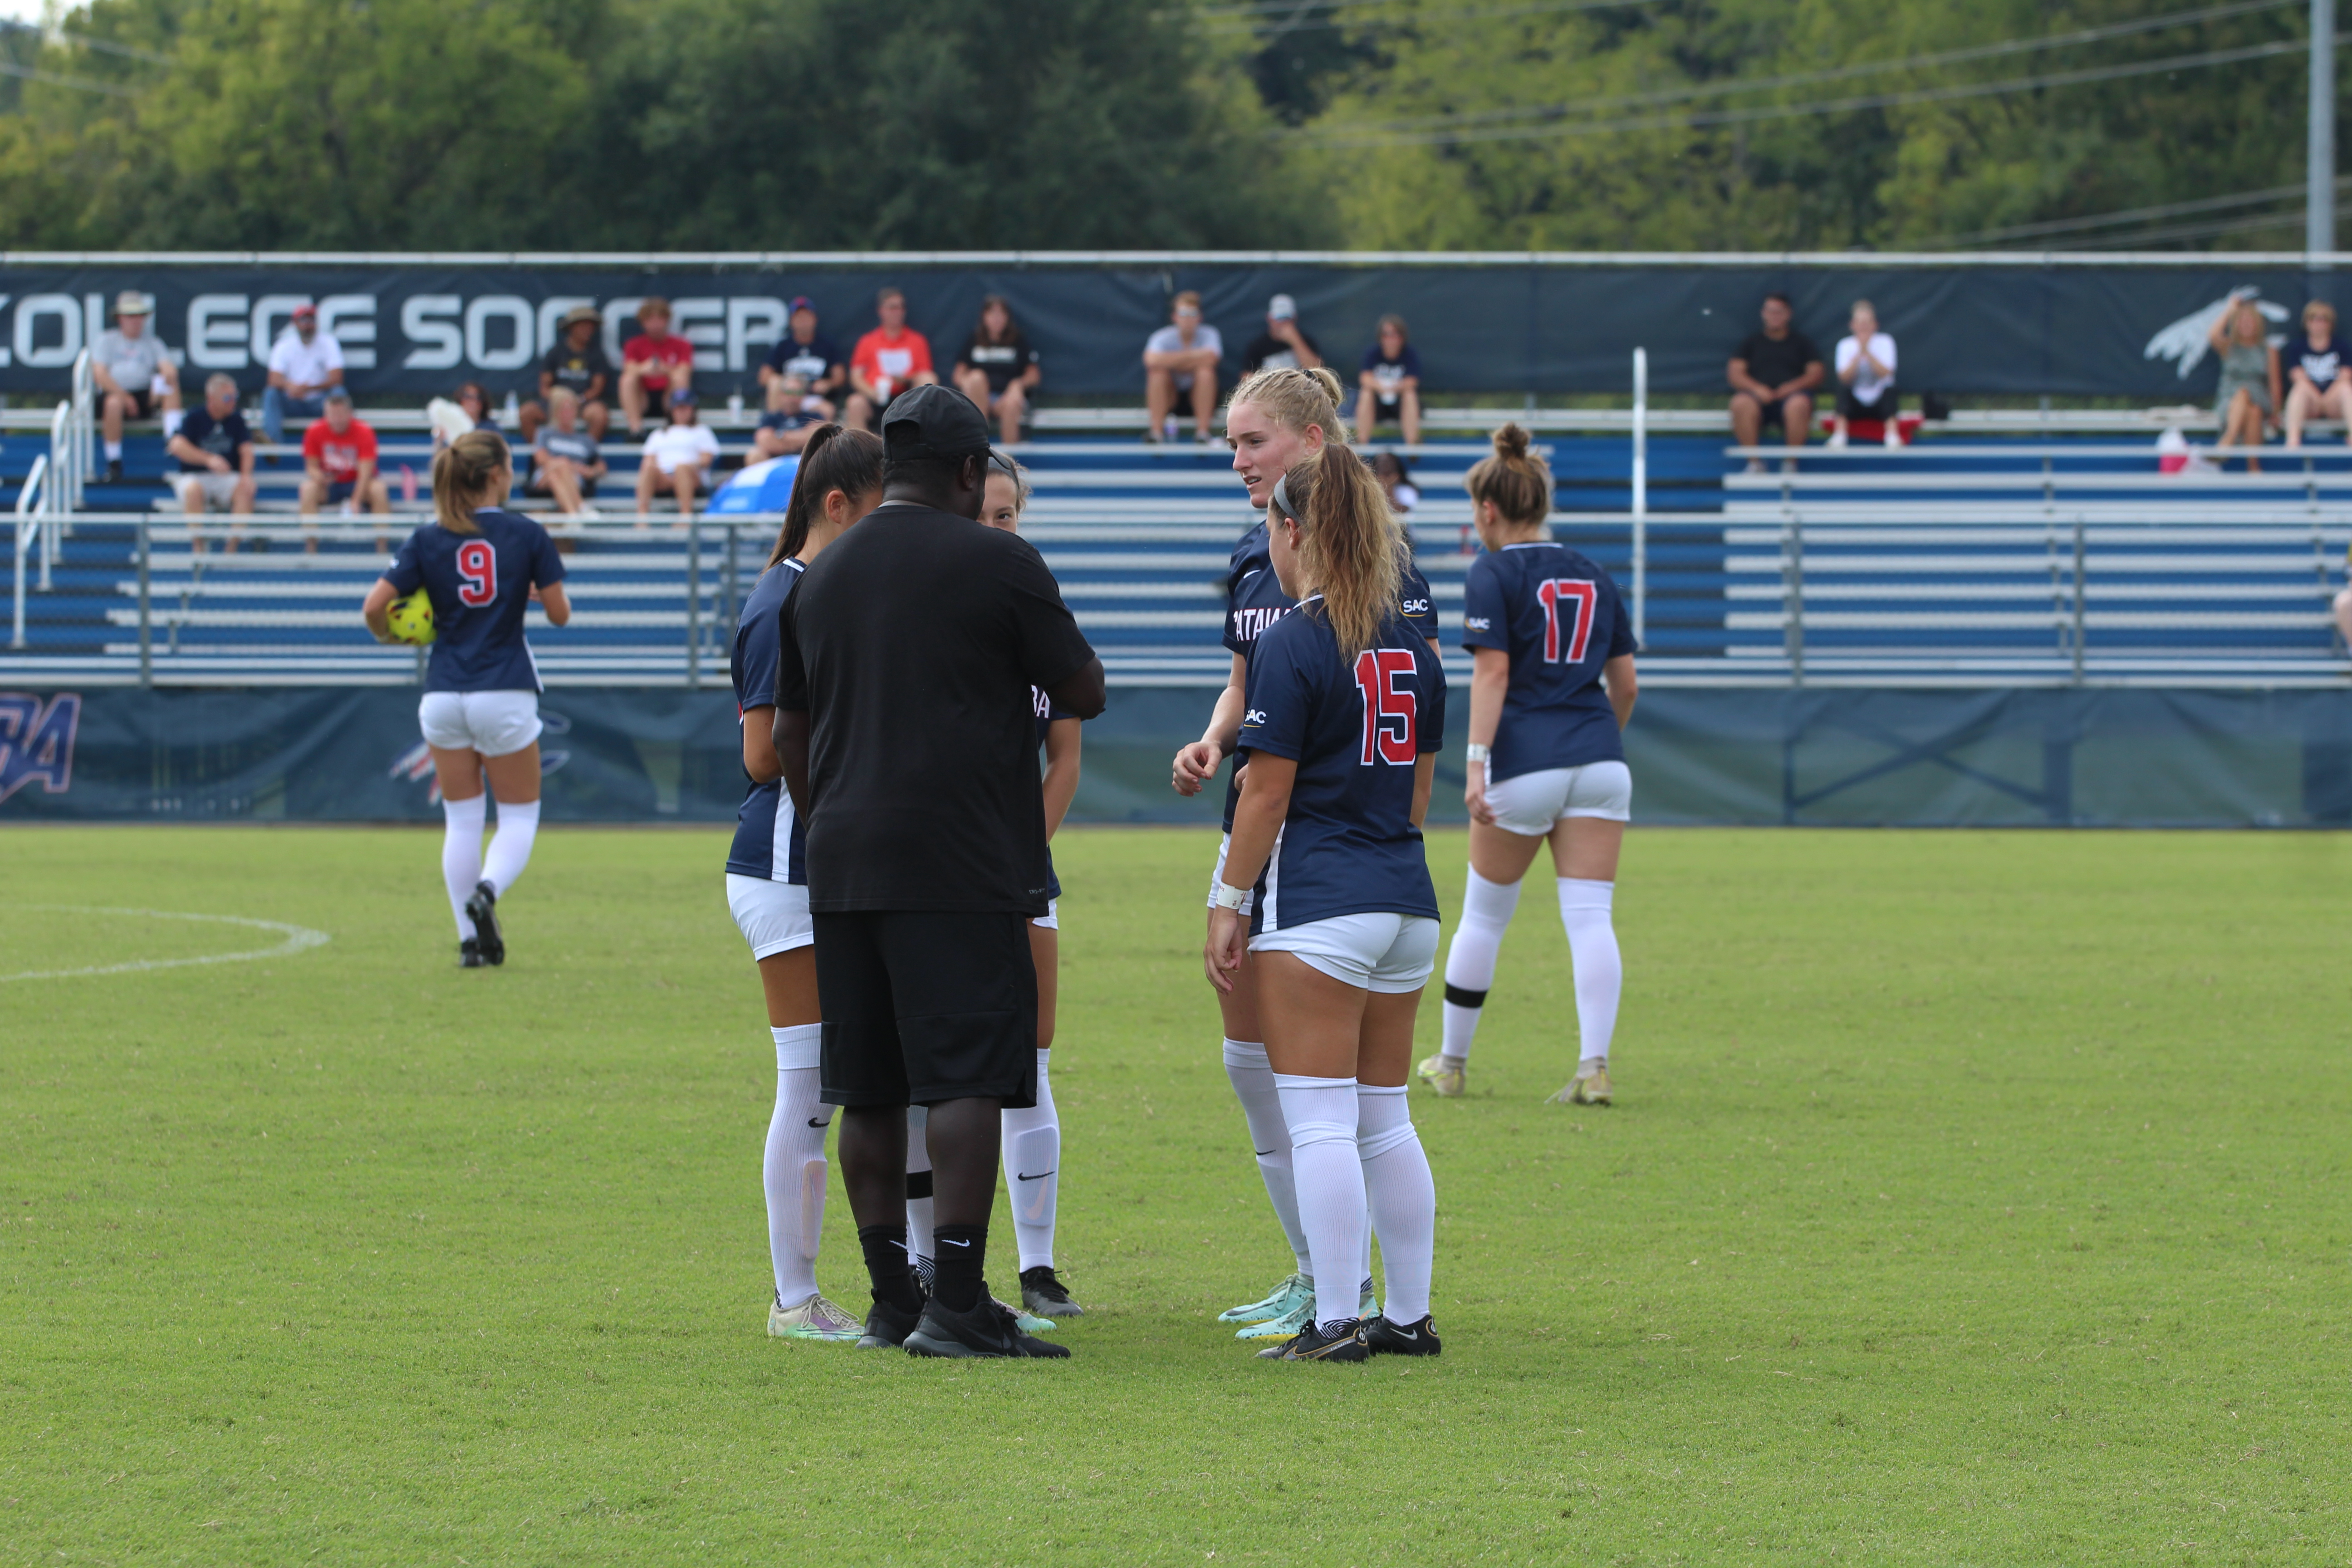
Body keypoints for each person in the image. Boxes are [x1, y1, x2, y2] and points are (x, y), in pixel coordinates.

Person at [769, 384, 1104, 1359]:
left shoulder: (819, 577)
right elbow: (1081, 686)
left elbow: (788, 734)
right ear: (970, 473)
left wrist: (827, 815)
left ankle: (890, 1300)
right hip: (959, 854)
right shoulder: (1000, 559)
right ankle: (956, 1297)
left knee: (868, 1086)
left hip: (842, 857)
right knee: (966, 1078)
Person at [1170, 365, 1441, 1345]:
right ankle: (1406, 1318)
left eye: (1252, 444)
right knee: (1386, 1117)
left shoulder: (1301, 632)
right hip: (1403, 885)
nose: (1238, 462)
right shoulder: (1407, 643)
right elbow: (1415, 778)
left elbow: (1270, 786)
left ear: (1297, 525)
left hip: (1318, 887)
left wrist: (1227, 896)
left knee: (1321, 1117)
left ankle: (1334, 1315)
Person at [1421, 424, 1638, 1109]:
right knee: (1591, 917)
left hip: (1524, 761)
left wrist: (1477, 765)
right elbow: (1626, 684)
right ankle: (1594, 1066)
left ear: (1488, 509)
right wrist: (1597, 739)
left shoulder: (1494, 570)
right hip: (1601, 759)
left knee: (1484, 918)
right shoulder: (1594, 571)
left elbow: (1492, 675)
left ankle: (1452, 1063)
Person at [727, 421, 888, 1342]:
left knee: (838, 1083)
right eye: (876, 511)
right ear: (838, 506)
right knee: (810, 1086)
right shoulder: (782, 600)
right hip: (789, 862)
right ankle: (795, 1298)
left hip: (818, 860)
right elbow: (760, 752)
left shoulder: (818, 589)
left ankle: (826, 1289)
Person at [360, 431, 571, 968]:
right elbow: (560, 613)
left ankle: (469, 942)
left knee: (461, 820)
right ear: (498, 474)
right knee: (519, 818)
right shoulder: (526, 532)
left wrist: (397, 636)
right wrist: (527, 588)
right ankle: (488, 891)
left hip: (443, 693)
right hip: (503, 688)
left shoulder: (429, 537)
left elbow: (373, 608)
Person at [977, 447, 1086, 1321]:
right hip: (935, 866)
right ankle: (926, 1265)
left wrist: (1020, 852)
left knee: (1032, 1057)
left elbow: (1065, 758)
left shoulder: (1035, 612)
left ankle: (1038, 1266)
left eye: (1007, 515)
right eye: (980, 512)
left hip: (1015, 870)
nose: (995, 528)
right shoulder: (924, 608)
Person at [92, 290, 181, 483]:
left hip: (144, 395)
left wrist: (166, 375)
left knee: (170, 385)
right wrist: (124, 396)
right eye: (131, 316)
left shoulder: (153, 343)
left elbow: (168, 368)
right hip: (115, 395)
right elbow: (99, 374)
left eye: (140, 316)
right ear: (120, 318)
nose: (136, 321)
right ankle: (114, 461)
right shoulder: (106, 340)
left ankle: (173, 439)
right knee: (114, 403)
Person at [1727, 294, 1824, 472]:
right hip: (1757, 399)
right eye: (1770, 311)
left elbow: (1816, 373)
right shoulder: (1751, 343)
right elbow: (1735, 373)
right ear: (1763, 314)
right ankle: (1754, 463)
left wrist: (1791, 388)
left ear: (1789, 314)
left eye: (1779, 311)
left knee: (1799, 404)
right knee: (1740, 403)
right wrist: (1757, 389)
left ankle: (1791, 463)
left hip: (1792, 398)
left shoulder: (1802, 343)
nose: (1775, 315)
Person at [167, 373, 258, 553]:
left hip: (225, 478)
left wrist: (247, 476)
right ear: (212, 398)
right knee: (193, 490)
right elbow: (177, 445)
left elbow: (247, 450)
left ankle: (231, 548)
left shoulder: (236, 419)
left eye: (235, 397)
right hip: (195, 476)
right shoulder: (195, 417)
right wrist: (208, 460)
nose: (232, 402)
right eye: (227, 397)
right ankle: (198, 546)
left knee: (246, 488)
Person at [297, 388, 391, 551]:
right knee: (307, 489)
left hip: (358, 481)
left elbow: (366, 473)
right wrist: (318, 476)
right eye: (332, 415)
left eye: (340, 415)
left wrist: (356, 500)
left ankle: (382, 545)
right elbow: (311, 466)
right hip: (330, 484)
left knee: (379, 490)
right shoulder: (314, 431)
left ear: (350, 414)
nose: (336, 420)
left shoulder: (364, 431)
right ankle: (311, 545)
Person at [954, 295, 1042, 446]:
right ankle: (978, 448)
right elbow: (958, 374)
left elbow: (1034, 375)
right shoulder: (975, 339)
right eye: (992, 314)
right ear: (984, 317)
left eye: (1001, 314)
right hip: (980, 400)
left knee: (1013, 403)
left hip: (1006, 399)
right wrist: (970, 384)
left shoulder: (1017, 340)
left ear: (1007, 317)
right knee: (977, 376)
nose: (997, 319)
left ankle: (1008, 462)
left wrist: (1018, 384)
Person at [521, 304, 613, 445]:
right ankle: (541, 454)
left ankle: (585, 455)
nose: (587, 330)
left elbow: (597, 388)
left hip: (584, 403)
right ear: (572, 328)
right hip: (556, 401)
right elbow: (545, 386)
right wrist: (558, 401)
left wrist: (578, 400)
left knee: (600, 415)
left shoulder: (597, 355)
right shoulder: (556, 352)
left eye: (590, 327)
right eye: (583, 326)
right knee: (527, 412)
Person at [847, 288, 937, 430]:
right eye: (893, 308)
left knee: (929, 379)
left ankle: (921, 439)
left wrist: (906, 378)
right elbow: (856, 376)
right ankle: (860, 449)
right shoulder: (868, 341)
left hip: (908, 399)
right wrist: (872, 393)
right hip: (876, 398)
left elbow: (926, 376)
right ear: (881, 311)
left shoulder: (917, 341)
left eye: (901, 307)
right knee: (855, 402)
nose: (898, 312)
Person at [2208, 297, 2280, 472]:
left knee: (2246, 395)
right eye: (2242, 321)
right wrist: (2229, 310)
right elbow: (2212, 335)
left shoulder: (2268, 350)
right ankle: (2254, 466)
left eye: (2250, 321)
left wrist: (2276, 412)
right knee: (2252, 411)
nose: (2246, 325)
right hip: (2229, 400)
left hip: (2258, 396)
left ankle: (2227, 442)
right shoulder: (2228, 347)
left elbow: (2275, 384)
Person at [1144, 291, 1223, 444]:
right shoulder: (1161, 337)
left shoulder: (1210, 334)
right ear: (1175, 316)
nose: (1187, 318)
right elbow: (1151, 361)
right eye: (1183, 313)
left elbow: (1212, 359)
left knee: (1205, 373)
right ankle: (1156, 433)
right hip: (1171, 397)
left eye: (1192, 313)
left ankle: (1202, 433)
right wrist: (1195, 357)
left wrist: (1171, 361)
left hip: (1197, 397)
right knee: (1157, 374)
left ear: (1200, 317)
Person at [262, 303, 345, 447]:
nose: (308, 325)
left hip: (320, 402)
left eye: (311, 320)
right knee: (271, 394)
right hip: (293, 401)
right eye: (304, 321)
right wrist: (291, 387)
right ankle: (272, 444)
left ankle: (341, 443)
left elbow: (337, 378)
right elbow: (273, 379)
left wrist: (309, 389)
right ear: (295, 323)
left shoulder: (329, 343)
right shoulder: (284, 345)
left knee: (339, 393)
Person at [760, 297, 850, 426]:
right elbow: (764, 377)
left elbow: (840, 377)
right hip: (790, 396)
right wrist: (788, 383)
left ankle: (822, 444)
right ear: (791, 321)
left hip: (812, 398)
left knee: (827, 410)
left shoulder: (826, 345)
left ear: (815, 319)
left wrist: (828, 383)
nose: (803, 321)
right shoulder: (783, 346)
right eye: (799, 317)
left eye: (807, 317)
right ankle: (773, 429)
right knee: (775, 384)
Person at [634, 390, 720, 522]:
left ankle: (685, 516)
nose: (681, 412)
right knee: (648, 469)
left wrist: (686, 466)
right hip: (664, 478)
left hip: (691, 476)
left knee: (681, 468)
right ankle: (642, 518)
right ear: (672, 410)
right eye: (678, 408)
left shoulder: (702, 431)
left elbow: (707, 459)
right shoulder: (658, 434)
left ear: (693, 410)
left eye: (685, 408)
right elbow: (648, 461)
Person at [620, 297, 696, 437]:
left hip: (668, 397)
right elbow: (629, 369)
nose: (655, 325)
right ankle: (636, 430)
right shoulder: (633, 344)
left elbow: (685, 370)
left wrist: (663, 369)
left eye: (659, 319)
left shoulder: (682, 345)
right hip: (643, 399)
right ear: (643, 322)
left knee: (680, 378)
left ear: (667, 320)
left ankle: (677, 428)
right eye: (650, 320)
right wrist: (646, 368)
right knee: (628, 380)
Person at [526, 387, 607, 518]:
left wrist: (591, 472)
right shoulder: (545, 433)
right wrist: (571, 466)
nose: (567, 413)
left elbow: (601, 466)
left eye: (570, 409)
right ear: (556, 412)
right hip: (543, 476)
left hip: (571, 479)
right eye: (563, 409)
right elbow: (541, 459)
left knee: (555, 476)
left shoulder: (586, 440)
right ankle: (581, 506)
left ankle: (573, 516)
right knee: (561, 464)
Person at [1828, 300, 1899, 449]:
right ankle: (1840, 435)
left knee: (1891, 389)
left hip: (1880, 402)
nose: (1864, 327)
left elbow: (1886, 374)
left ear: (1875, 325)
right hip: (1855, 404)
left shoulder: (1886, 341)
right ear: (1852, 325)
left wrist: (1868, 352)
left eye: (1867, 322)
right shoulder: (1845, 345)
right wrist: (1859, 353)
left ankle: (1892, 435)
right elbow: (1844, 378)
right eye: (1860, 322)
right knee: (1843, 389)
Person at [2282, 300, 2351, 449]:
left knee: (2346, 389)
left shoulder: (2341, 346)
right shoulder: (2297, 347)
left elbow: (2345, 376)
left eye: (2323, 319)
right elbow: (2297, 377)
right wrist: (2319, 400)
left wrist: (2326, 400)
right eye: (2313, 318)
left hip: (2334, 402)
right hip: (2310, 403)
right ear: (2306, 322)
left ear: (2330, 323)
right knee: (2299, 389)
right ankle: (2293, 442)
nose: (2318, 323)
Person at [1356, 314, 1422, 446]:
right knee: (1366, 393)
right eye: (1386, 335)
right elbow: (1365, 378)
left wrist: (1394, 388)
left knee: (1410, 394)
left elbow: (1413, 381)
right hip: (1378, 403)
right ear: (1380, 337)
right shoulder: (1373, 353)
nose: (1390, 339)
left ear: (1402, 337)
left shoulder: (1409, 354)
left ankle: (1413, 444)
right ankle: (1361, 445)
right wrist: (1381, 387)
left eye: (1395, 335)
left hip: (1399, 404)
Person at [1242, 293, 1323, 375]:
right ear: (1270, 319)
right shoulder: (1257, 346)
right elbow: (1247, 378)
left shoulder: (1305, 341)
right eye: (1279, 318)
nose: (1283, 323)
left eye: (1287, 318)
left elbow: (1316, 370)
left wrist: (1295, 341)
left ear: (1295, 318)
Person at [1372, 450, 1419, 515]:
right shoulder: (1369, 492)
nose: (1386, 479)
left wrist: (1389, 489)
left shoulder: (1407, 491)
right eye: (1383, 474)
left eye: (1389, 474)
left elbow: (1403, 514)